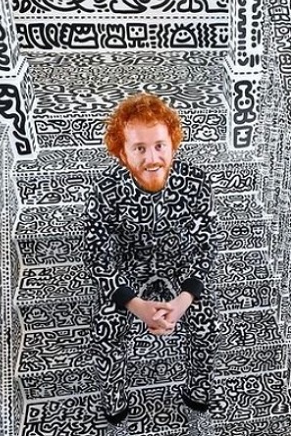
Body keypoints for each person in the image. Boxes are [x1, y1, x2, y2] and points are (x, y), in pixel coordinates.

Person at [81, 93, 220, 428]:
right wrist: (134, 304)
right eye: (139, 148)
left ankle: (196, 397)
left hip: (180, 266)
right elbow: (94, 247)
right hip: (130, 267)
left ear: (173, 143)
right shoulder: (108, 189)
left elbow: (207, 241)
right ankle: (116, 409)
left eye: (159, 145)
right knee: (105, 329)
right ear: (122, 153)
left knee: (208, 324)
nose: (152, 157)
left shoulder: (196, 182)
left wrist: (185, 298)